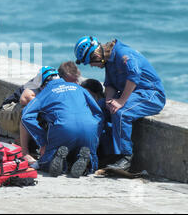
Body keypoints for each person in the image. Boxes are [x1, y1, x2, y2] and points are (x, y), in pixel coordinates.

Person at [74, 36, 166, 171]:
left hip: (151, 94)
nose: (92, 66)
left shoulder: (123, 54)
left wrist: (121, 101)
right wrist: (108, 102)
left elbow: (134, 75)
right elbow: (110, 85)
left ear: (96, 55)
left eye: (90, 62)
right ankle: (96, 151)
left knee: (121, 113)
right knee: (99, 107)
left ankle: (125, 157)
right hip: (133, 94)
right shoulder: (109, 61)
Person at [21, 73, 103, 178]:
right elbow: (98, 113)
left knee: (45, 161)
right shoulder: (79, 88)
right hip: (90, 127)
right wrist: (96, 133)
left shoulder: (45, 93)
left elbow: (26, 116)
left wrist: (42, 141)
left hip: (63, 128)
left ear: (42, 85)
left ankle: (55, 159)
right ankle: (87, 163)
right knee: (89, 158)